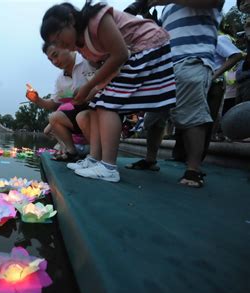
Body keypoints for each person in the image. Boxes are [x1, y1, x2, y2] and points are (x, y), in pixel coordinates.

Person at [40, 1, 176, 182]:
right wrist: (91, 90)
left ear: (71, 19)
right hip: (132, 56)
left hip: (148, 45)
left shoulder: (97, 20)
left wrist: (89, 86)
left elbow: (120, 55)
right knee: (97, 104)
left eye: (58, 37)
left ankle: (108, 166)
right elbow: (106, 67)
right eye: (54, 43)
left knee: (106, 104)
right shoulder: (82, 47)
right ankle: (94, 159)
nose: (61, 44)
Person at [125, 0, 224, 188]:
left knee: (191, 114)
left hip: (192, 58)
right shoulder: (168, 7)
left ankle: (193, 170)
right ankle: (150, 159)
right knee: (153, 118)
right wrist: (148, 19)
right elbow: (162, 35)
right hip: (165, 64)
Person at [26, 42, 96, 162]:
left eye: (55, 55)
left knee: (82, 116)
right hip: (80, 115)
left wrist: (88, 93)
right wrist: (37, 100)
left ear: (68, 47)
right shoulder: (60, 79)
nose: (55, 62)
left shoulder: (87, 61)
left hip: (99, 110)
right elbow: (54, 104)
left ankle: (96, 156)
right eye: (51, 60)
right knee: (54, 117)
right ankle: (71, 152)